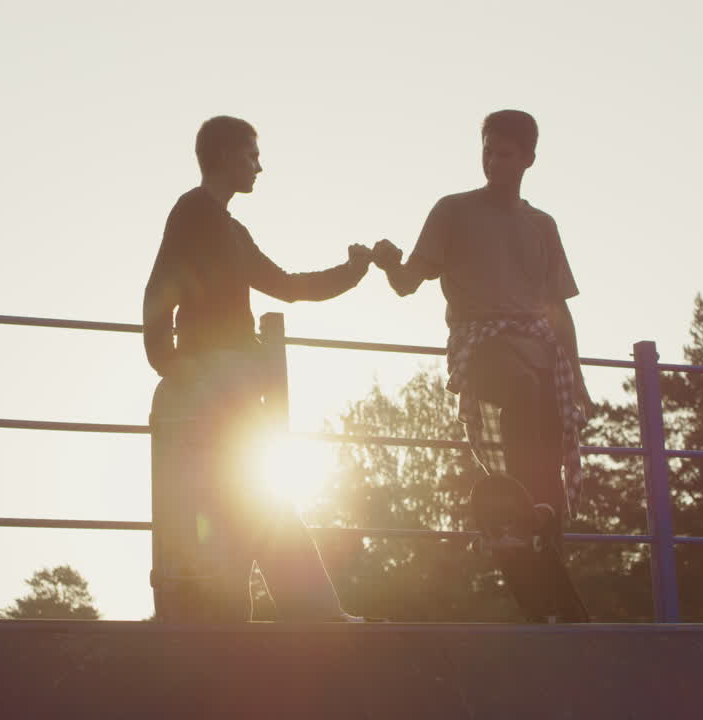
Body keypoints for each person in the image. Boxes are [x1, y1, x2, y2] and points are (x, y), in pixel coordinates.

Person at [143, 115, 372, 622]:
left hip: (233, 381)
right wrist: (170, 364)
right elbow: (160, 287)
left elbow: (286, 285)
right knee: (246, 496)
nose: (259, 167)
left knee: (250, 495)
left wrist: (351, 273)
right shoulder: (193, 213)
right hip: (215, 380)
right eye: (251, 155)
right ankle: (306, 610)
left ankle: (300, 609)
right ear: (224, 156)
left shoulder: (228, 227)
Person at [372, 109, 592, 622]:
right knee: (518, 389)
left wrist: (578, 378)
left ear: (529, 159)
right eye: (488, 150)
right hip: (482, 342)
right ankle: (520, 514)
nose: (494, 161)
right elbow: (409, 282)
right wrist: (388, 265)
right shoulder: (453, 211)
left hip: (540, 350)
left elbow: (559, 309)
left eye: (506, 153)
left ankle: (546, 548)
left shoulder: (541, 225)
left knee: (552, 444)